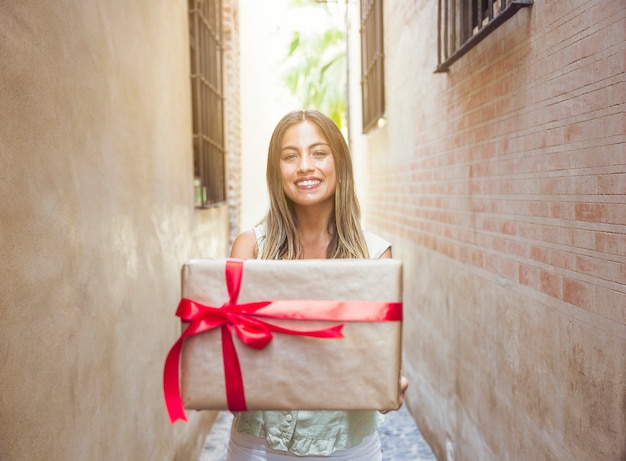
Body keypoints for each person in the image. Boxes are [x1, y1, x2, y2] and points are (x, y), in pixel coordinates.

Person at [228, 109, 408, 460]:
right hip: (259, 444)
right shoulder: (250, 248)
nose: (305, 166)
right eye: (290, 156)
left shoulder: (374, 255)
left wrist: (389, 383)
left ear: (339, 163)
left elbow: (380, 354)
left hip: (347, 445)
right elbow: (229, 353)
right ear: (275, 171)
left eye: (319, 152)